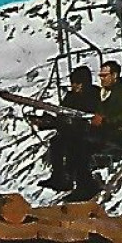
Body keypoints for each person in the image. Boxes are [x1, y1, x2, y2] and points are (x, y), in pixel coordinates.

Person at [37, 65, 101, 195]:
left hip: (92, 134)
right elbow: (62, 115)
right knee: (56, 142)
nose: (74, 86)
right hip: (74, 132)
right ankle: (59, 178)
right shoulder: (71, 97)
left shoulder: (96, 95)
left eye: (77, 83)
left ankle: (84, 185)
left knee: (77, 148)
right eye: (73, 83)